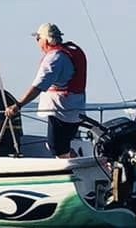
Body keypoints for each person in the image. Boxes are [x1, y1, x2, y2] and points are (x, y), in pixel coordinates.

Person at [6, 22, 88, 157]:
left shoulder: (54, 58)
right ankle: (73, 161)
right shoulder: (70, 52)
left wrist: (18, 105)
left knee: (56, 146)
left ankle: (71, 170)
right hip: (76, 108)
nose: (37, 42)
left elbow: (39, 85)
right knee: (62, 145)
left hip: (60, 109)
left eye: (38, 39)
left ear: (45, 40)